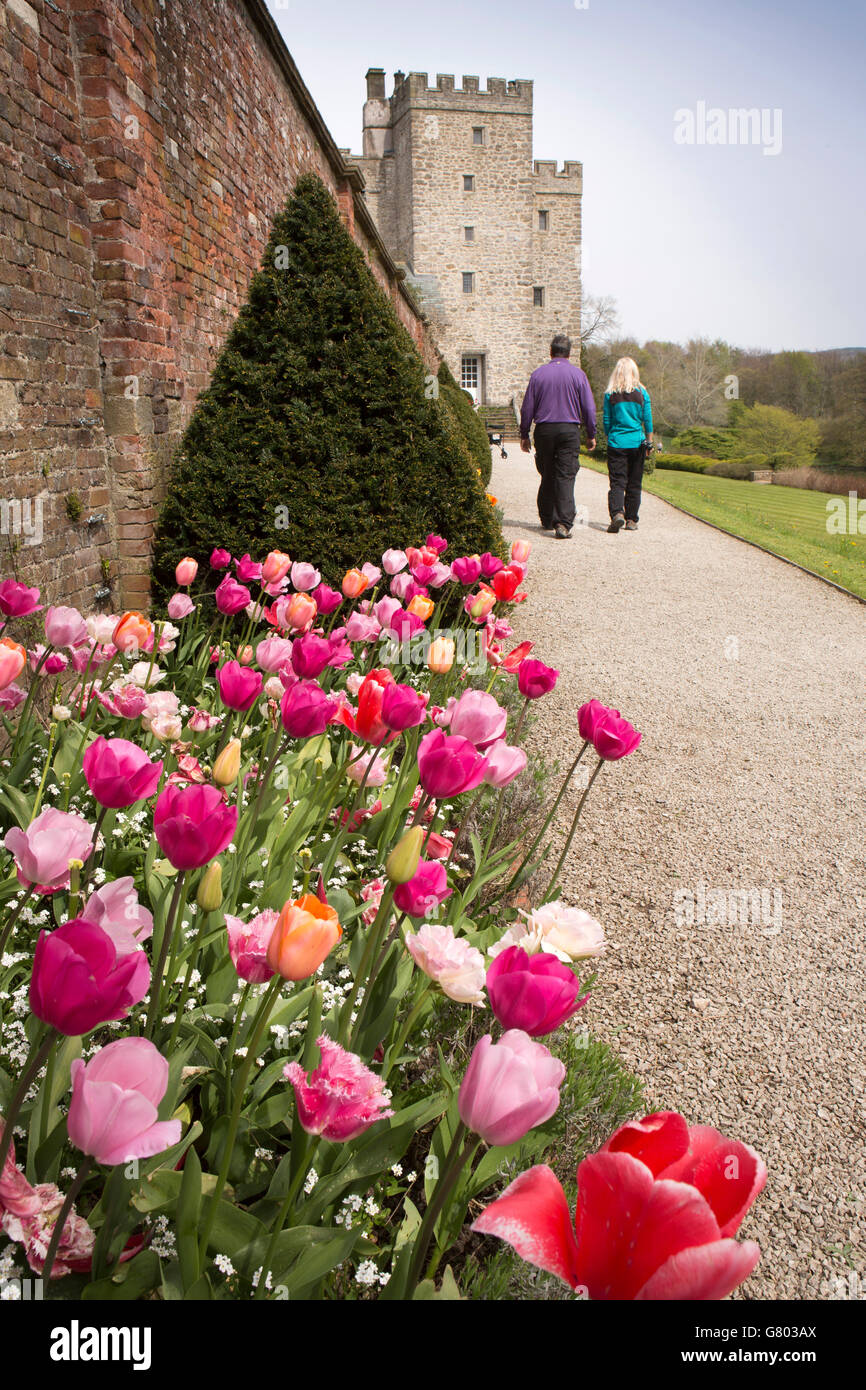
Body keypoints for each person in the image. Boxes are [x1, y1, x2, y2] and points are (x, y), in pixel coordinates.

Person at [519, 334, 597, 539]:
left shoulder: (538, 375)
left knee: (547, 473)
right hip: (569, 429)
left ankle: (546, 517)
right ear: (569, 353)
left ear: (551, 352)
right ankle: (562, 522)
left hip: (544, 429)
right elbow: (588, 407)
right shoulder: (578, 375)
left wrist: (524, 434)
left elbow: (527, 407)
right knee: (565, 475)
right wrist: (591, 433)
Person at [602, 358, 653, 533]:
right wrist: (649, 441)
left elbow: (607, 420)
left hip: (617, 441)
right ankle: (631, 519)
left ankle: (617, 514)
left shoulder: (611, 394)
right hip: (636, 442)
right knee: (634, 482)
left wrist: (610, 435)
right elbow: (647, 419)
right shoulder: (642, 393)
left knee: (617, 482)